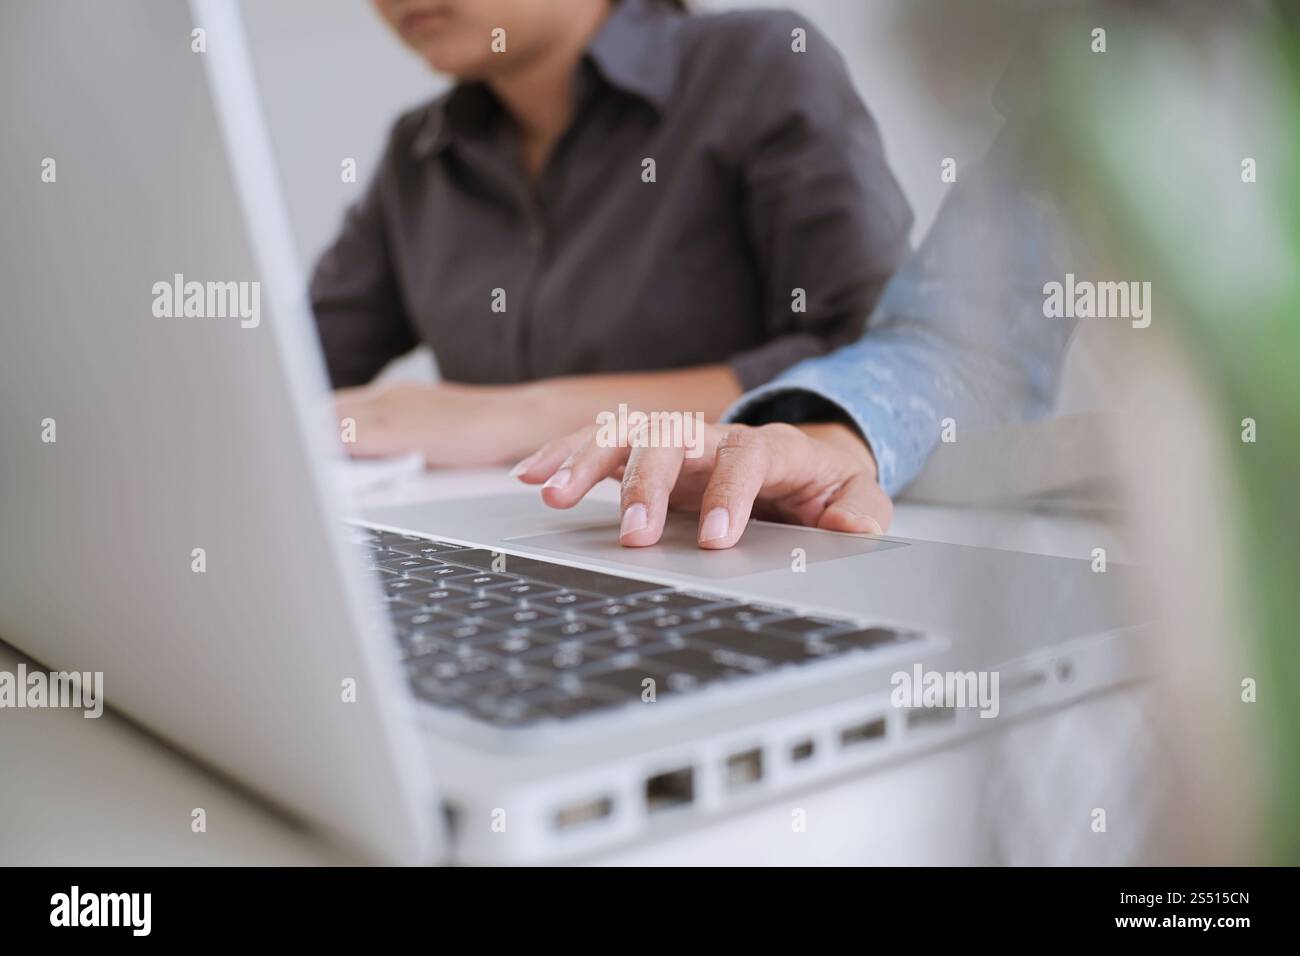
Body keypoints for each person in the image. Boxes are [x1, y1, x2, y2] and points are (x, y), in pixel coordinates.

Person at [514, 49, 1081, 547]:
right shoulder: (1079, 71)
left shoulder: (757, 65)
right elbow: (968, 342)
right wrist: (833, 436)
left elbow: (839, 322)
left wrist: (514, 414)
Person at [313, 0, 912, 466]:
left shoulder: (759, 68)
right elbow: (298, 362)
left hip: (730, 544)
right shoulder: (417, 156)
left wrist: (521, 417)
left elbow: (878, 358)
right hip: (521, 543)